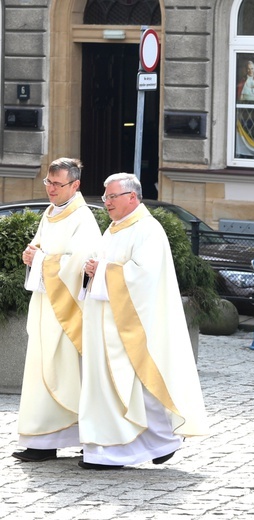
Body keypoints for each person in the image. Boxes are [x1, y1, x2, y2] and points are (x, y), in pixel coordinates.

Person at [78, 173, 208, 469]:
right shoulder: (112, 229)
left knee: (135, 386)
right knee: (109, 387)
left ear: (132, 197)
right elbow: (104, 269)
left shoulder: (149, 230)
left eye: (112, 197)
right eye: (105, 196)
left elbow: (145, 277)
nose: (106, 202)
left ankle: (124, 449)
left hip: (133, 324)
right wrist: (91, 271)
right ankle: (119, 444)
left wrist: (105, 271)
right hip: (104, 321)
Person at [11, 158, 102, 463]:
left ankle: (74, 436)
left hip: (68, 310)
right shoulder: (49, 214)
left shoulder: (83, 218)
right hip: (44, 304)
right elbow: (39, 250)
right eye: (48, 183)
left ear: (75, 185)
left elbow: (83, 260)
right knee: (41, 369)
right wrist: (30, 255)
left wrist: (41, 260)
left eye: (57, 184)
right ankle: (42, 439)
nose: (50, 189)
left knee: (65, 371)